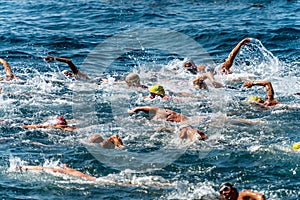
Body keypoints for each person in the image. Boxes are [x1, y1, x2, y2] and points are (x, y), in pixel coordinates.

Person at [183, 38, 251, 75]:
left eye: (191, 66)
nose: (191, 67)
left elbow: (231, 56)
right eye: (189, 67)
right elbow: (231, 56)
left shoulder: (222, 69)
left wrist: (240, 44)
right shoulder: (186, 73)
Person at [16, 163, 96, 181]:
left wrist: (24, 168)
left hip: (91, 181)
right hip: (93, 179)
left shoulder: (61, 171)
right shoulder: (71, 170)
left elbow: (41, 168)